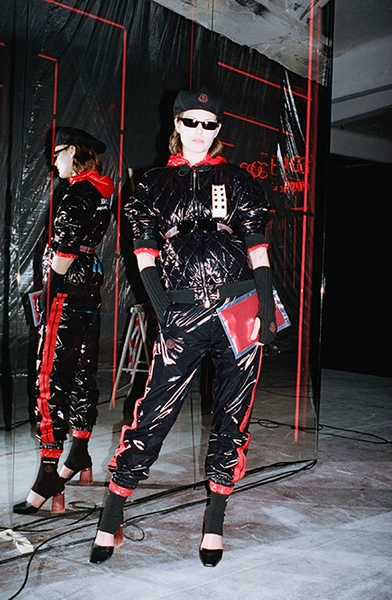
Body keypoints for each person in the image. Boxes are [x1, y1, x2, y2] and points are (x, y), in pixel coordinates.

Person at [90, 87, 276, 566]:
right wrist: (162, 310)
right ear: (176, 124)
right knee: (153, 412)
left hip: (239, 308)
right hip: (183, 311)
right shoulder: (153, 183)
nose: (199, 131)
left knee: (233, 415)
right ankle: (113, 512)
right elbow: (144, 252)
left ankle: (214, 520)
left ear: (218, 130)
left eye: (208, 124)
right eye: (190, 121)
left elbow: (257, 245)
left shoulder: (238, 179)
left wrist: (265, 306)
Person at [14, 127, 114, 514]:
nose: (52, 161)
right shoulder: (100, 190)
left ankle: (49, 473)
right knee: (83, 372)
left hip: (66, 293)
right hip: (88, 290)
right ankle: (79, 453)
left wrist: (50, 288)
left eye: (57, 154)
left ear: (73, 151)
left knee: (49, 379)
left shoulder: (76, 193)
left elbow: (65, 250)